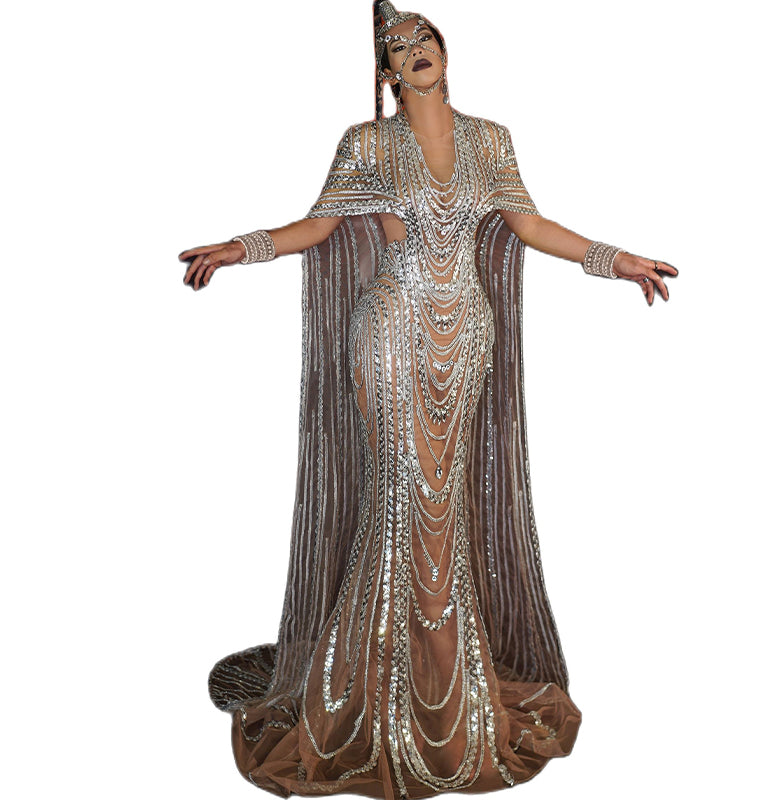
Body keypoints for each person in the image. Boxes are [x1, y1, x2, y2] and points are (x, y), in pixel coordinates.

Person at [179, 3, 677, 798]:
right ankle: (368, 698)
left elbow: (530, 225)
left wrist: (618, 261)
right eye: (397, 45)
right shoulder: (367, 143)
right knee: (400, 502)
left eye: (424, 37)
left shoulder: (491, 140)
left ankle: (445, 690)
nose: (413, 48)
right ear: (384, 70)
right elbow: (317, 228)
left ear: (445, 50)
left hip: (464, 333)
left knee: (444, 512)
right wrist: (241, 248)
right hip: (391, 332)